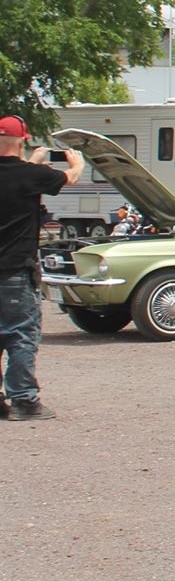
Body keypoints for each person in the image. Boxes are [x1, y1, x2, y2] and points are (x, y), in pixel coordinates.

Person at [1, 114, 85, 421]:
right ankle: (24, 401)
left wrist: (34, 161)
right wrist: (77, 163)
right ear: (22, 141)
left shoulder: (28, 173)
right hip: (15, 272)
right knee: (20, 334)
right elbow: (68, 178)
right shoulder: (30, 175)